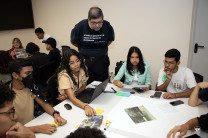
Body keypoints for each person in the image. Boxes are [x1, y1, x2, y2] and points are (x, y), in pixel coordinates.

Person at [8, 59, 67, 134]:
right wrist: (38, 128)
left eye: (32, 73)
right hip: (22, 131)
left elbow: (43, 103)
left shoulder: (31, 87)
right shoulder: (6, 97)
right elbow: (9, 130)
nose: (31, 76)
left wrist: (55, 114)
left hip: (35, 122)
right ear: (15, 75)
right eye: (27, 73)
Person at [71, 6, 115, 84]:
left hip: (102, 62)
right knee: (87, 86)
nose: (97, 25)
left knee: (102, 86)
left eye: (100, 22)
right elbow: (73, 41)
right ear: (88, 19)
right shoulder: (80, 26)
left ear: (103, 18)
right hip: (86, 62)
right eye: (94, 22)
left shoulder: (107, 25)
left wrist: (100, 48)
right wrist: (84, 48)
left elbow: (110, 40)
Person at [57, 49, 96, 118]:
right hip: (67, 102)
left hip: (78, 96)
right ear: (66, 64)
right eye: (71, 63)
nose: (76, 65)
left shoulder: (83, 68)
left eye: (77, 61)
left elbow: (83, 87)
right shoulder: (64, 76)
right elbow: (72, 99)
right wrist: (85, 106)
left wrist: (70, 95)